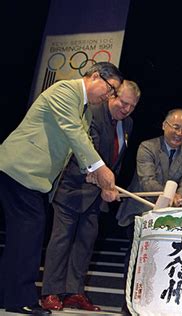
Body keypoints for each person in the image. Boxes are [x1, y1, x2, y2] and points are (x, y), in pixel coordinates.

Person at [0, 62, 123, 315]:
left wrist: (90, 173)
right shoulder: (65, 91)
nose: (109, 97)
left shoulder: (85, 111)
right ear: (96, 76)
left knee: (21, 236)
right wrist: (101, 169)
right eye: (111, 89)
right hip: (20, 169)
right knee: (29, 233)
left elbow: (79, 145)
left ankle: (7, 295)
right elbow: (74, 133)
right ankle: (18, 298)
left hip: (34, 178)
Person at [40, 80, 141, 312]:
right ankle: (51, 292)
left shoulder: (128, 124)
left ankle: (74, 292)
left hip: (97, 194)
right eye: (123, 103)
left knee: (85, 242)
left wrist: (110, 185)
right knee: (61, 239)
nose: (126, 109)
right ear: (112, 96)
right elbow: (86, 148)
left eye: (132, 106)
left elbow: (116, 159)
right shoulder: (92, 113)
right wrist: (100, 178)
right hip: (73, 185)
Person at [116, 108, 182, 313]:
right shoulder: (147, 147)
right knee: (137, 261)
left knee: (164, 263)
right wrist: (171, 195)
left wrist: (181, 195)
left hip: (169, 218)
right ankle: (129, 307)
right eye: (176, 127)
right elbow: (146, 181)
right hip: (140, 212)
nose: (180, 134)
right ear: (164, 126)